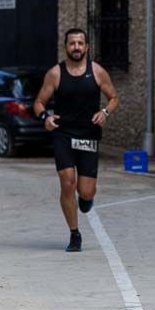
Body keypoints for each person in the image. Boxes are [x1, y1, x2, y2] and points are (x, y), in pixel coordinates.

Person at [32, 28, 119, 252]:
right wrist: (45, 117)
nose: (76, 47)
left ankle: (86, 199)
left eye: (80, 43)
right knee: (67, 181)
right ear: (66, 47)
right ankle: (74, 234)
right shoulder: (55, 74)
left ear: (87, 47)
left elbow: (113, 98)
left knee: (86, 191)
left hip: (88, 135)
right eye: (72, 43)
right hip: (63, 134)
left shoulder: (97, 72)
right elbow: (38, 103)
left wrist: (105, 113)